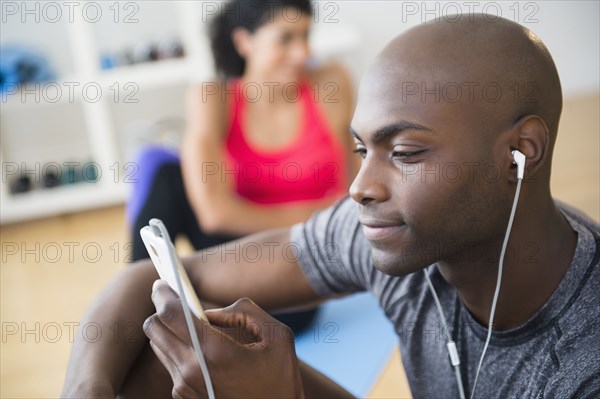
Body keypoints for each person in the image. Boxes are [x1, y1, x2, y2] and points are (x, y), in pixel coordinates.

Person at [62, 14, 600, 398]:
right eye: (362, 149)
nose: (360, 187)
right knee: (158, 362)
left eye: (406, 153)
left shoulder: (582, 362)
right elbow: (143, 279)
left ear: (520, 153)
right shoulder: (394, 232)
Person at [126, 0, 358, 332]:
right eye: (285, 39)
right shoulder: (214, 98)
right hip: (238, 259)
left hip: (299, 274)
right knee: (166, 176)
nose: (303, 52)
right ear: (243, 42)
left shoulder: (329, 83)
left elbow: (355, 194)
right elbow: (214, 214)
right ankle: (137, 309)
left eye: (307, 36)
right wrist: (318, 215)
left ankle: (183, 311)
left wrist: (323, 223)